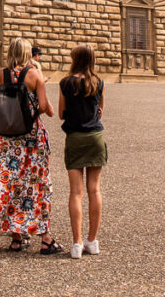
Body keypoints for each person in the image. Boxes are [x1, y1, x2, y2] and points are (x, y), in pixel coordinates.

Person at [0, 38, 64, 254]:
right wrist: (31, 112)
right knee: (36, 185)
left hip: (7, 139)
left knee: (10, 183)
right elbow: (44, 107)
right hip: (32, 138)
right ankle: (46, 239)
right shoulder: (34, 75)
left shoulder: (1, 74)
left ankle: (16, 238)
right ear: (27, 54)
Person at [59, 43, 107, 260]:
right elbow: (100, 111)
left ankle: (77, 243)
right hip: (96, 137)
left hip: (75, 138)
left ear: (74, 59)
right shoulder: (99, 82)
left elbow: (61, 113)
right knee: (94, 190)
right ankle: (93, 241)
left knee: (76, 193)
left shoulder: (66, 83)